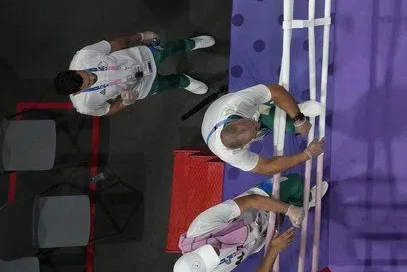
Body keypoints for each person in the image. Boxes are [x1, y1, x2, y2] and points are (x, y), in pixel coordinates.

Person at [171, 178, 328, 272]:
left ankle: (302, 201)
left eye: (207, 251)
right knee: (280, 218)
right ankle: (288, 210)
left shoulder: (201, 225)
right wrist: (273, 250)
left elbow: (252, 201)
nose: (216, 250)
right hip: (260, 237)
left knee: (295, 184)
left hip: (258, 202)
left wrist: (290, 210)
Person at [54, 31, 214, 117]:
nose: (92, 77)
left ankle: (192, 43)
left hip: (141, 56)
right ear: (77, 92)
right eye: (89, 83)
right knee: (168, 84)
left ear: (74, 69)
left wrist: (141, 36)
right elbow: (108, 110)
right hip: (141, 87)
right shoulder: (85, 105)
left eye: (86, 74)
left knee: (171, 47)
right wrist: (126, 103)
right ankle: (184, 81)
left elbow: (114, 44)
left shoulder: (83, 55)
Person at [201, 83, 325, 175]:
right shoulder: (230, 155)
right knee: (283, 126)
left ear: (236, 120)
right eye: (255, 131)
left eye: (252, 123)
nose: (257, 125)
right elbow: (265, 167)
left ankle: (291, 109)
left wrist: (299, 119)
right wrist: (307, 154)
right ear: (243, 147)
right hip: (213, 128)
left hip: (248, 109)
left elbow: (276, 90)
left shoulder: (235, 104)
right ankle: (280, 112)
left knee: (287, 124)